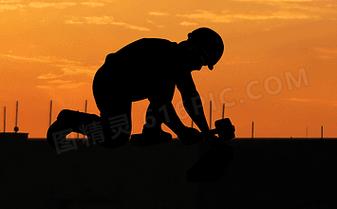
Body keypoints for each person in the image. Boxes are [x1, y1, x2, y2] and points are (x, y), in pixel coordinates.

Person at [47, 27, 227, 151]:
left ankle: (152, 130)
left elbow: (191, 99)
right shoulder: (164, 58)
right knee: (115, 136)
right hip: (110, 84)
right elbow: (161, 103)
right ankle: (69, 120)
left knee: (166, 88)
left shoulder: (179, 66)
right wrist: (182, 131)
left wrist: (206, 132)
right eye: (201, 62)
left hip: (129, 88)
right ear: (192, 48)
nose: (198, 68)